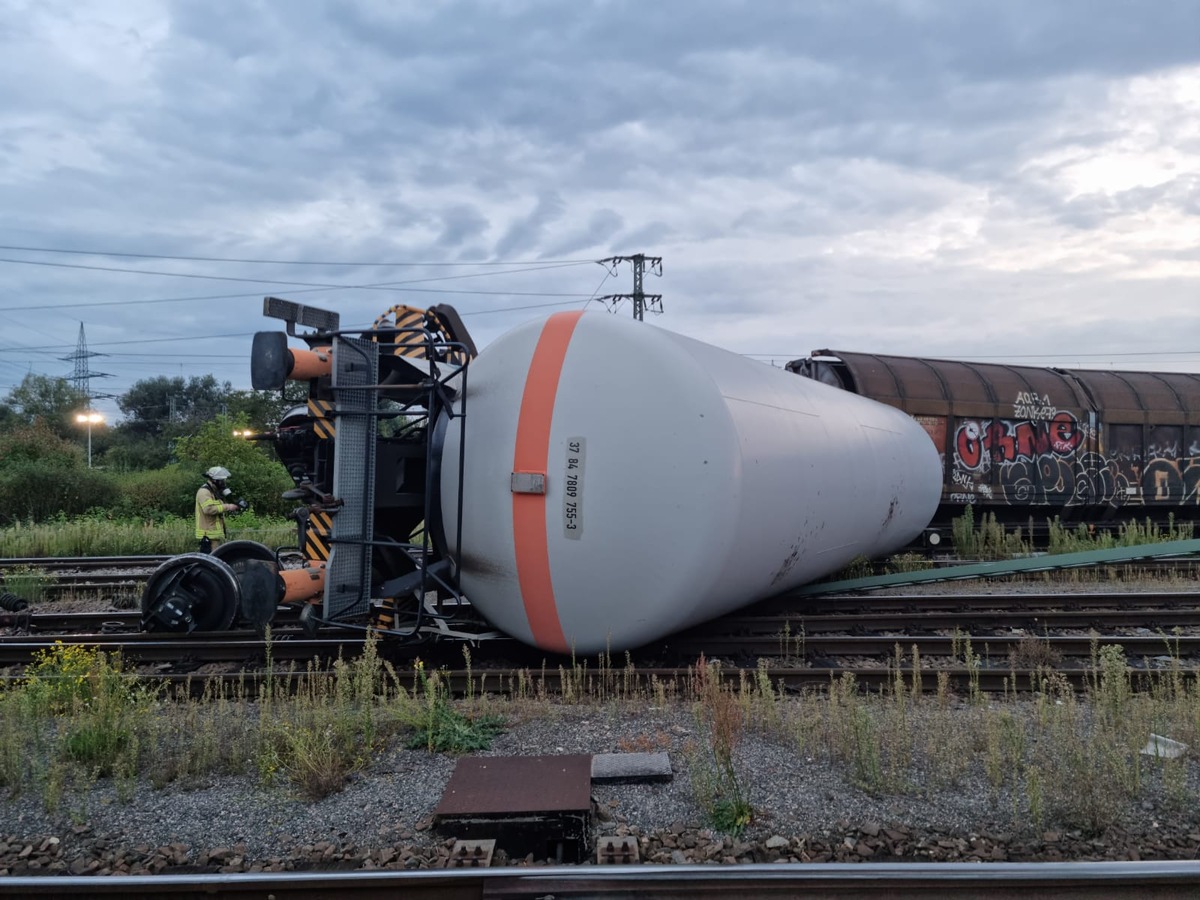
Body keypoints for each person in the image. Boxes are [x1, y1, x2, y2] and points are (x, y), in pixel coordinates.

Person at [195, 466, 239, 553]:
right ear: (214, 480)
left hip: (215, 535)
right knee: (211, 563)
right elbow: (208, 509)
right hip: (208, 536)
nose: (223, 483)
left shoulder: (214, 491)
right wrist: (228, 506)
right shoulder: (204, 492)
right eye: (221, 480)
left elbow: (218, 508)